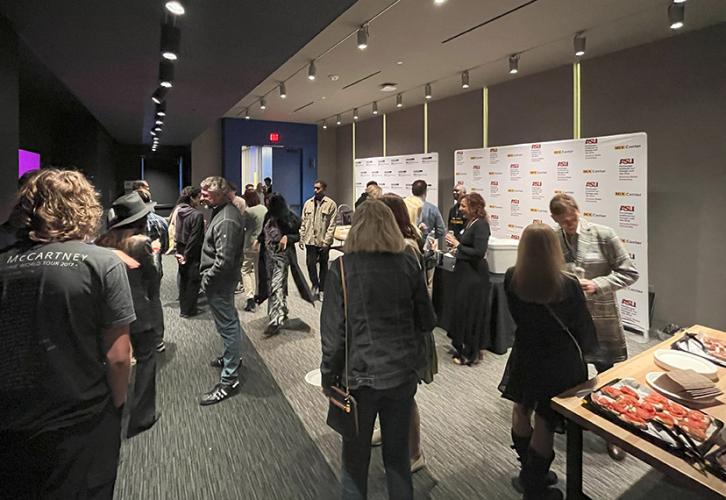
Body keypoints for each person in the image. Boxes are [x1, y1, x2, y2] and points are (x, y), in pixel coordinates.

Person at [0, 169, 134, 498]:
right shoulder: (104, 264)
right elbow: (119, 357)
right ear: (85, 208)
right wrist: (116, 407)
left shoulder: (3, 263)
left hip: (11, 419)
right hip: (81, 421)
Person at [320, 199, 436, 500]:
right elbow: (427, 320)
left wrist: (327, 378)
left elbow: (334, 335)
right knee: (397, 460)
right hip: (402, 375)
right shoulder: (408, 262)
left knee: (354, 464)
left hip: (358, 378)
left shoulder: (341, 268)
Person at [500, 223, 598, 500]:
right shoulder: (568, 284)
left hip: (526, 352)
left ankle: (527, 468)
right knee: (545, 419)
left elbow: (517, 315)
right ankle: (535, 481)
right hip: (558, 359)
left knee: (522, 407)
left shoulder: (511, 277)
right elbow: (582, 328)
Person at [549, 193, 639, 460]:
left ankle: (614, 432)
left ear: (578, 211)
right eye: (563, 223)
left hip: (600, 315)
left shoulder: (604, 234)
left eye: (572, 219)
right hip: (568, 316)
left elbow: (629, 272)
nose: (570, 226)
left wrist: (598, 284)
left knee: (607, 373)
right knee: (569, 370)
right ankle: (568, 418)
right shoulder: (553, 237)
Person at [378, 194, 437, 474]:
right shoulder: (390, 244)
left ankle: (415, 452)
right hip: (389, 329)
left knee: (404, 395)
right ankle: (385, 429)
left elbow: (416, 299)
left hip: (408, 332)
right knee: (385, 390)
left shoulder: (408, 248)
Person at [96, 192, 161, 438]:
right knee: (146, 359)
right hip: (139, 309)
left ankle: (112, 409)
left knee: (111, 358)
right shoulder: (141, 242)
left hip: (110, 310)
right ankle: (142, 416)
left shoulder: (103, 241)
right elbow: (152, 278)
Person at [199, 176, 245, 405]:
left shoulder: (226, 218)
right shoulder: (222, 211)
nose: (201, 197)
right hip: (222, 284)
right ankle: (232, 358)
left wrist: (207, 281)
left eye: (206, 194)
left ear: (218, 194)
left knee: (228, 327)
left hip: (220, 284)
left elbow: (224, 261)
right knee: (231, 323)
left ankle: (229, 380)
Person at [443, 192, 491, 365]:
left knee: (471, 313)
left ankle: (471, 353)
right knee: (463, 311)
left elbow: (479, 252)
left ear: (474, 207)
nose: (460, 209)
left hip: (475, 276)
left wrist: (458, 245)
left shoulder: (481, 226)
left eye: (464, 206)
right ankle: (463, 346)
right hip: (465, 273)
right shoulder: (470, 223)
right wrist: (457, 246)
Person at [256, 193, 306, 335]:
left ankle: (276, 320)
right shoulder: (268, 216)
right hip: (268, 257)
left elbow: (297, 235)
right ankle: (280, 312)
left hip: (281, 258)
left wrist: (287, 237)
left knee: (276, 286)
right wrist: (257, 240)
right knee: (272, 285)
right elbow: (264, 233)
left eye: (269, 202)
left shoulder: (288, 217)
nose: (266, 205)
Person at [134, 185, 167, 352]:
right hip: (156, 267)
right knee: (155, 300)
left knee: (135, 300)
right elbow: (166, 246)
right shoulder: (161, 221)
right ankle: (158, 340)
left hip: (134, 268)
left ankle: (139, 338)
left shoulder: (130, 223)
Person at [299, 179, 337, 300]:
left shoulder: (331, 204)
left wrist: (326, 241)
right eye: (314, 188)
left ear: (324, 189)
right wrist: (301, 237)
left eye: (318, 188)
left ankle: (322, 289)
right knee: (310, 264)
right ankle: (315, 284)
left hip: (323, 241)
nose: (315, 190)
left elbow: (332, 225)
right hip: (310, 240)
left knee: (323, 265)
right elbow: (303, 221)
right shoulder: (308, 203)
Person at [175, 186, 205, 317]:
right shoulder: (197, 215)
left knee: (184, 278)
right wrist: (187, 255)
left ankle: (184, 308)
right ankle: (190, 310)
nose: (201, 200)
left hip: (180, 248)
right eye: (199, 197)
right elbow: (194, 238)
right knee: (193, 280)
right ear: (192, 198)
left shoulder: (180, 211)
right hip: (191, 251)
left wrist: (181, 253)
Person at [240, 190, 267, 312]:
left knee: (246, 270)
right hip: (263, 243)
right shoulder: (264, 209)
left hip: (249, 244)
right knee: (258, 270)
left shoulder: (248, 212)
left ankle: (249, 297)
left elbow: (242, 226)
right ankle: (258, 294)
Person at [406, 180, 445, 245]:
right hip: (425, 245)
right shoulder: (433, 209)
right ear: (425, 191)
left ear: (412, 191)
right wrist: (429, 237)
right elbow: (441, 230)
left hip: (408, 245)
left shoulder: (403, 205)